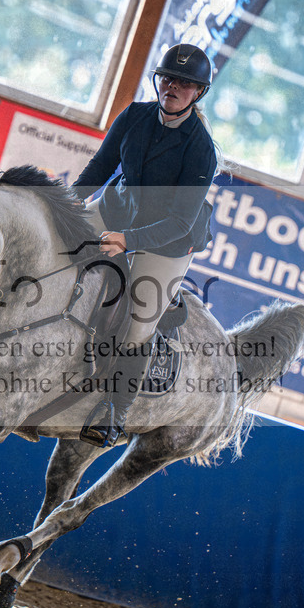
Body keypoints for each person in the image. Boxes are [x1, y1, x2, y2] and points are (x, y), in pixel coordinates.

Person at [72, 43, 218, 447]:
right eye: (167, 78)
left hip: (168, 239)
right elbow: (101, 167)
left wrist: (128, 241)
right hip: (120, 207)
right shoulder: (134, 115)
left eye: (184, 83)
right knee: (58, 238)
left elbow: (178, 221)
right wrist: (65, 202)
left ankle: (114, 412)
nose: (172, 86)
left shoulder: (201, 149)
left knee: (138, 321)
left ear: (198, 92)